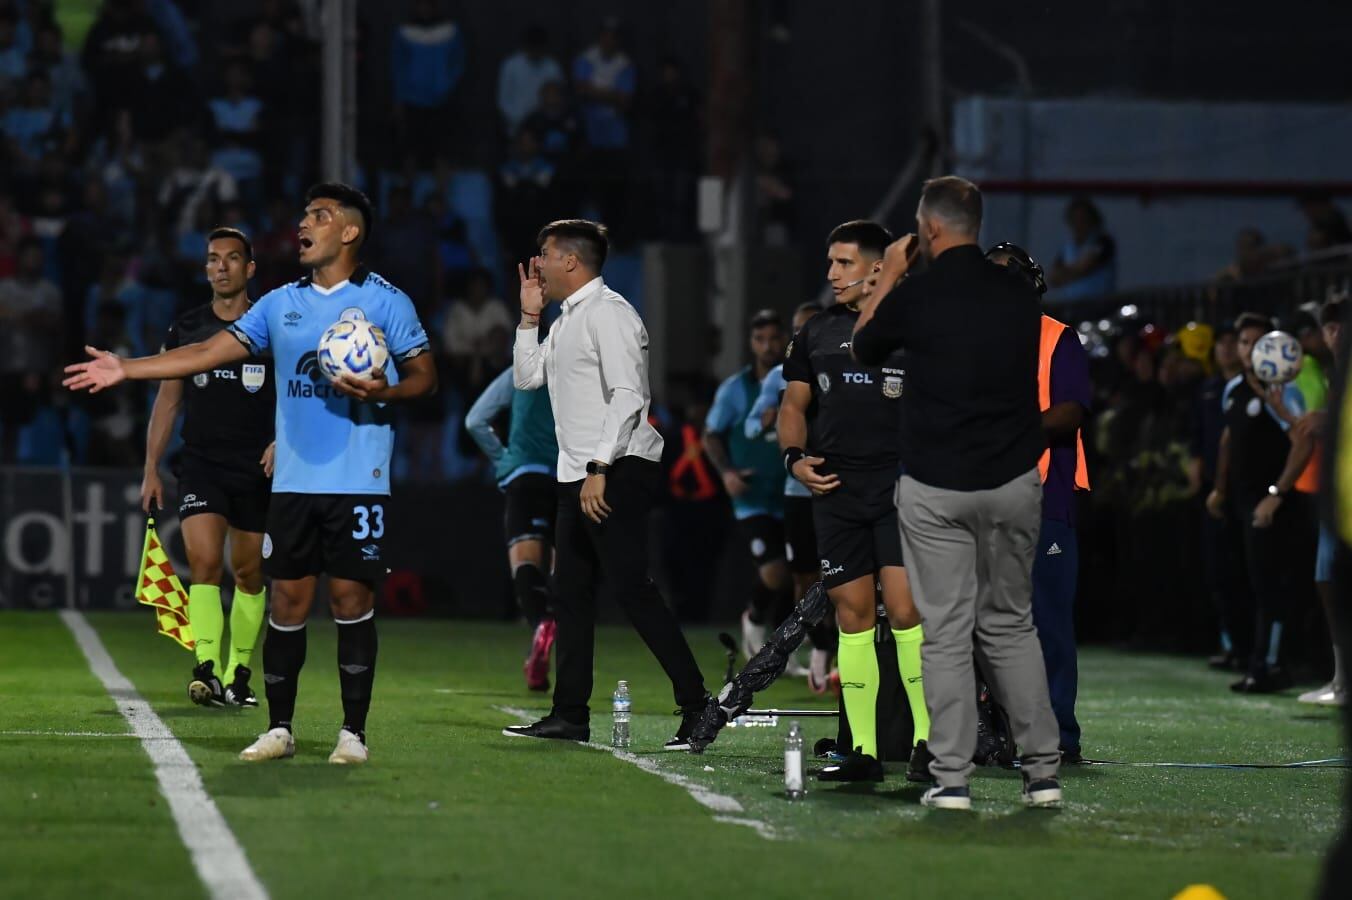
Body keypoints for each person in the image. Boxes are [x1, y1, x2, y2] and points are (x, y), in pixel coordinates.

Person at [65, 183, 438, 765]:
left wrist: (385, 389)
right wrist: (127, 367)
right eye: (304, 215)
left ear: (349, 231)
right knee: (286, 601)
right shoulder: (279, 304)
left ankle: (353, 733)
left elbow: (426, 378)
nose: (303, 225)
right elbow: (205, 354)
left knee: (348, 599)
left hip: (357, 478)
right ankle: (279, 728)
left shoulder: (389, 302)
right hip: (291, 482)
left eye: (319, 216)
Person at [853, 176, 1062, 811]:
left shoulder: (917, 293)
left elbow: (865, 342)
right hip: (1012, 481)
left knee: (945, 633)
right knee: (1010, 627)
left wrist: (888, 271)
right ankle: (1043, 775)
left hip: (937, 485)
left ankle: (952, 781)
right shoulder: (1019, 296)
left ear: (931, 229)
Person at [504, 219, 708, 747]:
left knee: (632, 590)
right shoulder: (566, 318)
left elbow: (628, 397)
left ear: (571, 261)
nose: (538, 264)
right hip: (578, 474)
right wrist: (529, 316)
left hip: (614, 470)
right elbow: (527, 378)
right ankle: (569, 715)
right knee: (570, 595)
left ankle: (697, 704)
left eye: (544, 254)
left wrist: (599, 469)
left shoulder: (610, 313)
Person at [778, 220, 930, 783]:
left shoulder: (915, 327)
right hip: (836, 491)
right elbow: (793, 405)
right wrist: (793, 457)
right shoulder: (815, 331)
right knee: (852, 615)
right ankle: (862, 752)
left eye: (843, 263)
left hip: (899, 489)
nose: (831, 273)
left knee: (908, 611)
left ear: (876, 267)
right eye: (830, 262)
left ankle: (927, 746)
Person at [140, 227, 275, 708]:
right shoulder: (186, 329)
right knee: (202, 564)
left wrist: (283, 440)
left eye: (232, 258)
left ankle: (240, 670)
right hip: (201, 464)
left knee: (248, 573)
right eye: (213, 259)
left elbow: (299, 397)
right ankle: (206, 668)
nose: (221, 267)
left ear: (249, 268)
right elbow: (168, 401)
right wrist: (151, 466)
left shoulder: (271, 326)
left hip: (257, 468)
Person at [987, 242, 1092, 763]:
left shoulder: (1057, 338)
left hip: (1045, 500)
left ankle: (1057, 738)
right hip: (981, 501)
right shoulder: (970, 342)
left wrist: (1007, 430)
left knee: (1046, 622)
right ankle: (995, 731)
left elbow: (1070, 413)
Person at [1206, 313, 1315, 693]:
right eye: (1245, 342)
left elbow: (1303, 442)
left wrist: (1276, 494)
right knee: (1246, 580)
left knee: (1270, 585)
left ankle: (1270, 665)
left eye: (1257, 342)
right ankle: (1252, 657)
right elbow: (1227, 440)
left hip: (1269, 503)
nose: (1250, 349)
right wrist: (1219, 488)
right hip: (1240, 500)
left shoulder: (1282, 391)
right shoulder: (1235, 388)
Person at [746, 302, 834, 691]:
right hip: (797, 488)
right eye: (797, 330)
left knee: (845, 574)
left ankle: (838, 651)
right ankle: (819, 645)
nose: (801, 336)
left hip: (838, 485)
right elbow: (752, 425)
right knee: (803, 575)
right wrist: (764, 421)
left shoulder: (841, 365)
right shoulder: (781, 376)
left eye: (807, 329)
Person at [703, 309, 794, 661]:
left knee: (797, 574)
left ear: (786, 338)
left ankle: (787, 651)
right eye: (761, 339)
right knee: (774, 572)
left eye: (774, 338)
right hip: (753, 497)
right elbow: (711, 434)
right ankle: (754, 617)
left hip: (792, 492)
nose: (768, 346)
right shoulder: (736, 389)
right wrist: (727, 472)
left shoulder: (798, 381)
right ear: (751, 343)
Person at [465, 363, 560, 692]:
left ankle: (541, 623)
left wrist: (503, 459)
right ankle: (554, 657)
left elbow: (475, 420)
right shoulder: (584, 367)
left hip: (526, 474)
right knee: (556, 569)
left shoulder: (525, 366)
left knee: (525, 564)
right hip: (567, 478)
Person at [1190, 323, 1253, 670]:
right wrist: (1197, 466)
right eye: (1224, 343)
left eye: (1236, 342)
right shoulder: (1209, 389)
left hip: (1240, 489)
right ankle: (1231, 644)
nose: (1229, 349)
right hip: (1213, 488)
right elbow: (1198, 437)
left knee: (1243, 571)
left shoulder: (1250, 389)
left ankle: (1251, 649)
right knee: (1218, 572)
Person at [1297, 298, 1345, 706]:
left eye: (1340, 327)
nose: (1335, 335)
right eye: (1330, 328)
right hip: (1338, 494)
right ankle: (1342, 678)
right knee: (1328, 578)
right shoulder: (1331, 373)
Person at [496, 25, 562, 135]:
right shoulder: (511, 65)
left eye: (539, 48)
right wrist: (519, 121)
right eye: (533, 48)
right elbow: (503, 101)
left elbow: (558, 98)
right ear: (526, 46)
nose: (536, 52)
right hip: (516, 127)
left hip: (546, 128)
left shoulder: (552, 67)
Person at [1048, 196, 1116, 302]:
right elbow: (1053, 279)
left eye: (1083, 219)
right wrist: (1074, 270)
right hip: (1071, 306)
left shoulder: (1103, 242)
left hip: (1099, 305)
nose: (1079, 224)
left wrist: (1066, 273)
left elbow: (1085, 267)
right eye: (1075, 219)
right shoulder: (1067, 248)